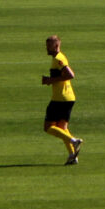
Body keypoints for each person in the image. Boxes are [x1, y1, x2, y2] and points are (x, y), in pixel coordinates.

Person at [41, 35, 82, 165]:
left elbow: (70, 75)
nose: (47, 48)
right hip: (69, 98)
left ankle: (73, 141)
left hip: (60, 98)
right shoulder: (58, 58)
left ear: (56, 46)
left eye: (49, 46)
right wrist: (50, 80)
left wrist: (49, 80)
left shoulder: (59, 59)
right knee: (62, 128)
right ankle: (72, 156)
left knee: (48, 127)